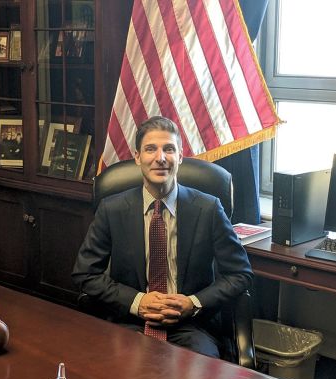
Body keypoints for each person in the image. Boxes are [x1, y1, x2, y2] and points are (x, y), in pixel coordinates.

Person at [72, 116, 253, 358]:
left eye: (169, 149)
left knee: (201, 377)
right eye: (150, 149)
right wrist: (137, 301)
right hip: (130, 322)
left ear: (180, 156)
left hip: (191, 327)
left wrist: (193, 303)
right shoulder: (112, 209)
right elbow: (85, 274)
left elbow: (240, 274)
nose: (160, 158)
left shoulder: (209, 209)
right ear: (137, 157)